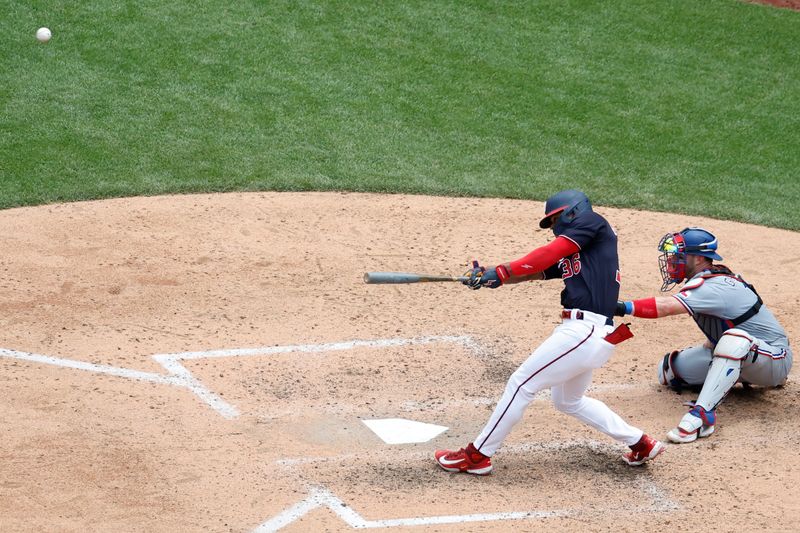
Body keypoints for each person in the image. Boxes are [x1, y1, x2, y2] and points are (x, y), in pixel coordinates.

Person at [434, 189, 664, 475]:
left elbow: (547, 255)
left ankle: (478, 455)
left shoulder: (593, 222)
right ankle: (639, 442)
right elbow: (538, 270)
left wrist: (502, 271)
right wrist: (495, 278)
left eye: (555, 220)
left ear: (573, 212)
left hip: (584, 331)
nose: (554, 228)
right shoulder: (582, 251)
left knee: (521, 384)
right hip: (590, 333)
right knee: (568, 401)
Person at [615, 227, 792, 443]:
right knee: (668, 372)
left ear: (699, 259)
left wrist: (621, 307)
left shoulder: (713, 287)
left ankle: (701, 417)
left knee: (734, 340)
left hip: (773, 358)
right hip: (747, 356)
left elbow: (666, 307)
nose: (672, 261)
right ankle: (732, 372)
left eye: (679, 255)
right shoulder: (706, 280)